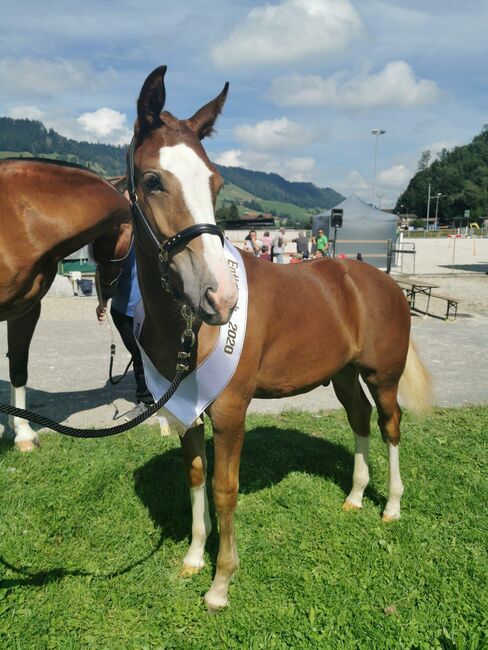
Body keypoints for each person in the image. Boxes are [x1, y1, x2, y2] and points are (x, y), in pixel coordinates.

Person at [96, 243, 153, 408]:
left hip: (150, 310)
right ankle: (146, 398)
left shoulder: (150, 235)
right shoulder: (116, 242)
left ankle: (150, 397)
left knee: (148, 355)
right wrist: (102, 301)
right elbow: (101, 271)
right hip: (122, 311)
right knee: (139, 355)